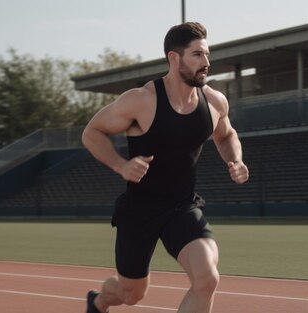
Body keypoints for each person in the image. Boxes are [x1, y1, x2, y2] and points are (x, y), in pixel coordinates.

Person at [81, 21, 249, 313]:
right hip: (140, 211)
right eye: (197, 55)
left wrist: (235, 159)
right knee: (131, 293)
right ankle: (98, 301)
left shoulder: (214, 102)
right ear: (174, 58)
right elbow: (91, 133)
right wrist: (122, 166)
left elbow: (227, 135)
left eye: (207, 54)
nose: (206, 63)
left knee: (207, 279)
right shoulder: (141, 100)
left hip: (182, 208)